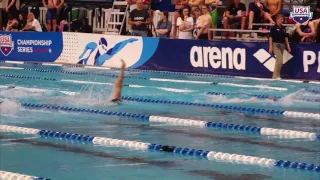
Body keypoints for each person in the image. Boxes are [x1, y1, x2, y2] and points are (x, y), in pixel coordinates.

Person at [268, 14, 291, 79]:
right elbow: (270, 37)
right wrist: (270, 47)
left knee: (279, 60)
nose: (282, 20)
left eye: (283, 19)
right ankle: (275, 76)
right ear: (277, 20)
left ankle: (277, 75)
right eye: (281, 19)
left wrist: (288, 46)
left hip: (282, 44)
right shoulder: (273, 28)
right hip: (275, 44)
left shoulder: (283, 28)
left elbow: (286, 37)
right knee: (280, 59)